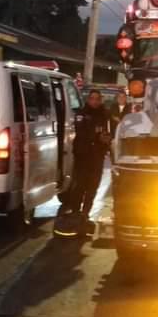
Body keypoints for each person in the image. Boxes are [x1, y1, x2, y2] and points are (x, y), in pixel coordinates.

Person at [65, 90, 112, 224]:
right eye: (92, 99)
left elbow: (109, 131)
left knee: (92, 186)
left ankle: (85, 213)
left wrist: (106, 139)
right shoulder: (82, 114)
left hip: (97, 156)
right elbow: (82, 133)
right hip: (83, 156)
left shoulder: (105, 114)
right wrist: (97, 136)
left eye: (97, 99)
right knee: (80, 185)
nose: (95, 101)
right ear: (88, 100)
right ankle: (75, 211)